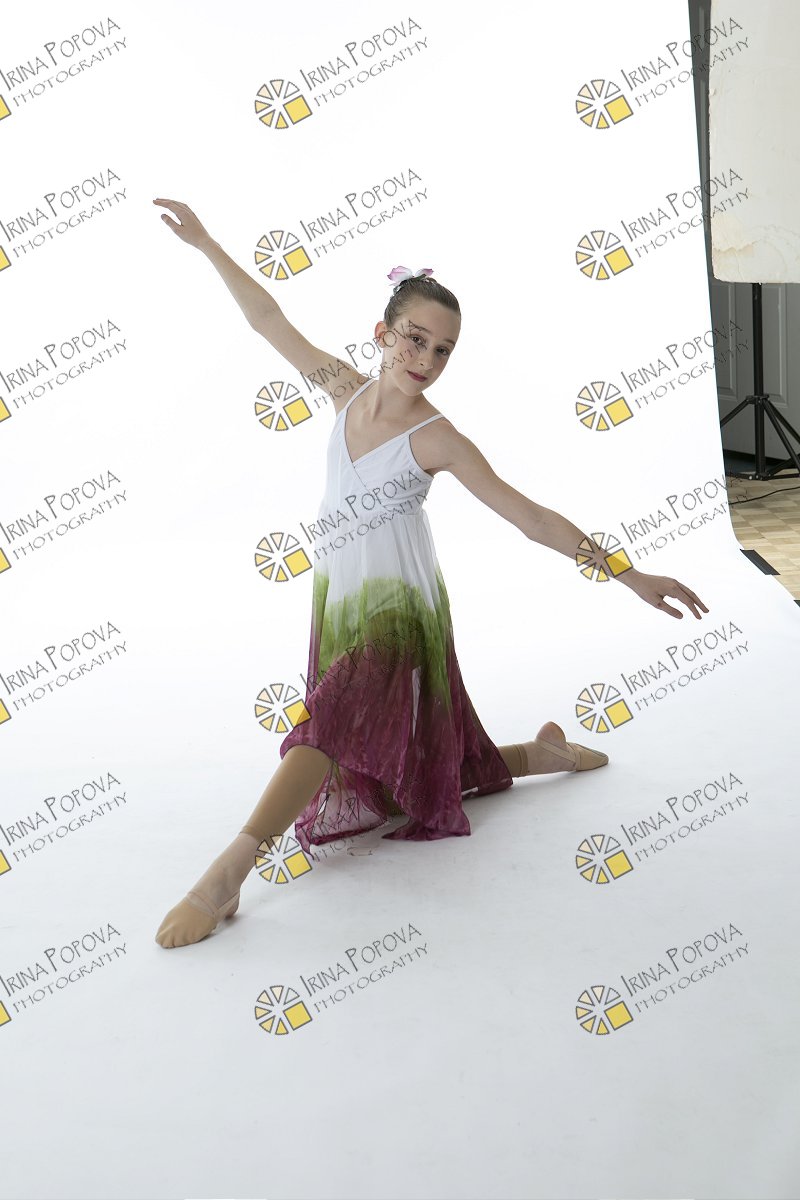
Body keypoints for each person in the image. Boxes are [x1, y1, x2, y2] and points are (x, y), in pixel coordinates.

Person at [152, 198, 709, 949]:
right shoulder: (344, 390)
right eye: (415, 339)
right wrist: (207, 243)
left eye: (444, 350)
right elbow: (267, 319)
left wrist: (628, 572)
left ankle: (227, 873)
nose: (427, 359)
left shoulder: (438, 438)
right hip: (341, 603)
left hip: (399, 612)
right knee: (404, 771)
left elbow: (529, 516)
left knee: (326, 727)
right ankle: (539, 754)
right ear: (382, 335)